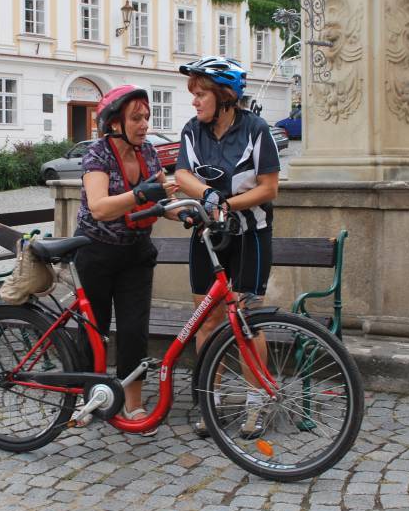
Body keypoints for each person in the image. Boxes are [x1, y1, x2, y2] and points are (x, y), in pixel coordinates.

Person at [173, 56, 281, 438]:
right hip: (208, 235)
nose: (194, 101)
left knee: (249, 320)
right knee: (208, 319)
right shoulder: (193, 130)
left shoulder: (256, 130)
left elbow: (269, 187)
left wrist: (227, 205)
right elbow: (181, 174)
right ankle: (211, 400)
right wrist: (208, 196)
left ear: (224, 96)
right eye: (194, 94)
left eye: (201, 94)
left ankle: (255, 403)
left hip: (251, 234)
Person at [74, 85, 176, 429]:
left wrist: (186, 211)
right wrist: (140, 194)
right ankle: (89, 398)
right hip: (96, 252)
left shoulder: (148, 152)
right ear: (115, 122)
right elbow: (100, 208)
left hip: (135, 253)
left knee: (134, 330)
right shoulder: (98, 154)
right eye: (136, 118)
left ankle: (133, 404)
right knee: (94, 330)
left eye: (146, 117)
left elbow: (162, 197)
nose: (144, 124)